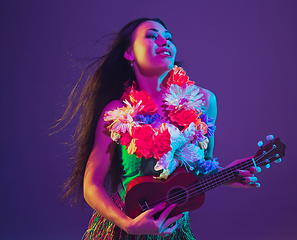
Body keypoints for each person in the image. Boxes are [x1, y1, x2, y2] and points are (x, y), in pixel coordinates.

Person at [59, 18, 261, 240]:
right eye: (152, 36)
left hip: (173, 230)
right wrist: (129, 225)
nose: (165, 42)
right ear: (129, 53)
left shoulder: (203, 100)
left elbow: (202, 167)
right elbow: (92, 184)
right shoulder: (117, 111)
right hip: (125, 226)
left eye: (169, 38)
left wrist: (226, 175)